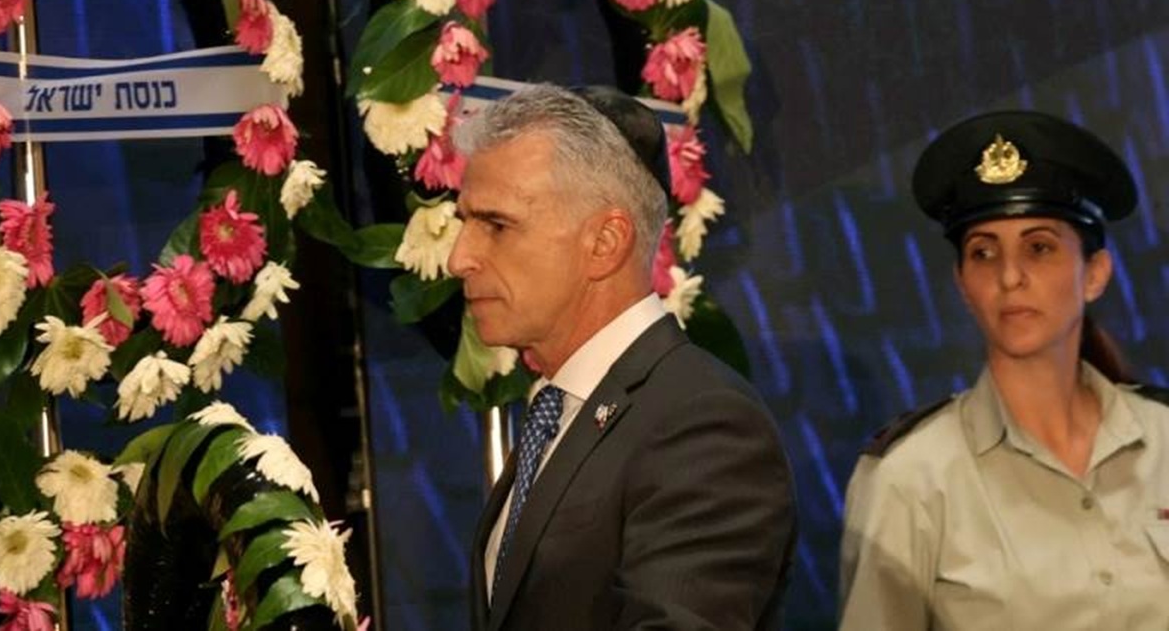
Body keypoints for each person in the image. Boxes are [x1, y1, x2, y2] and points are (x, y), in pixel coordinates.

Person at [448, 84, 797, 631]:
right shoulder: (562, 409)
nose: (459, 258)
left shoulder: (703, 425)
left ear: (605, 242)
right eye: (462, 223)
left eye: (496, 225)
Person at [839, 111, 1169, 630]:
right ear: (962, 283)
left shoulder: (1164, 439)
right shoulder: (912, 477)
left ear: (1095, 274)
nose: (1010, 276)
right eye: (984, 252)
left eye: (1039, 248)